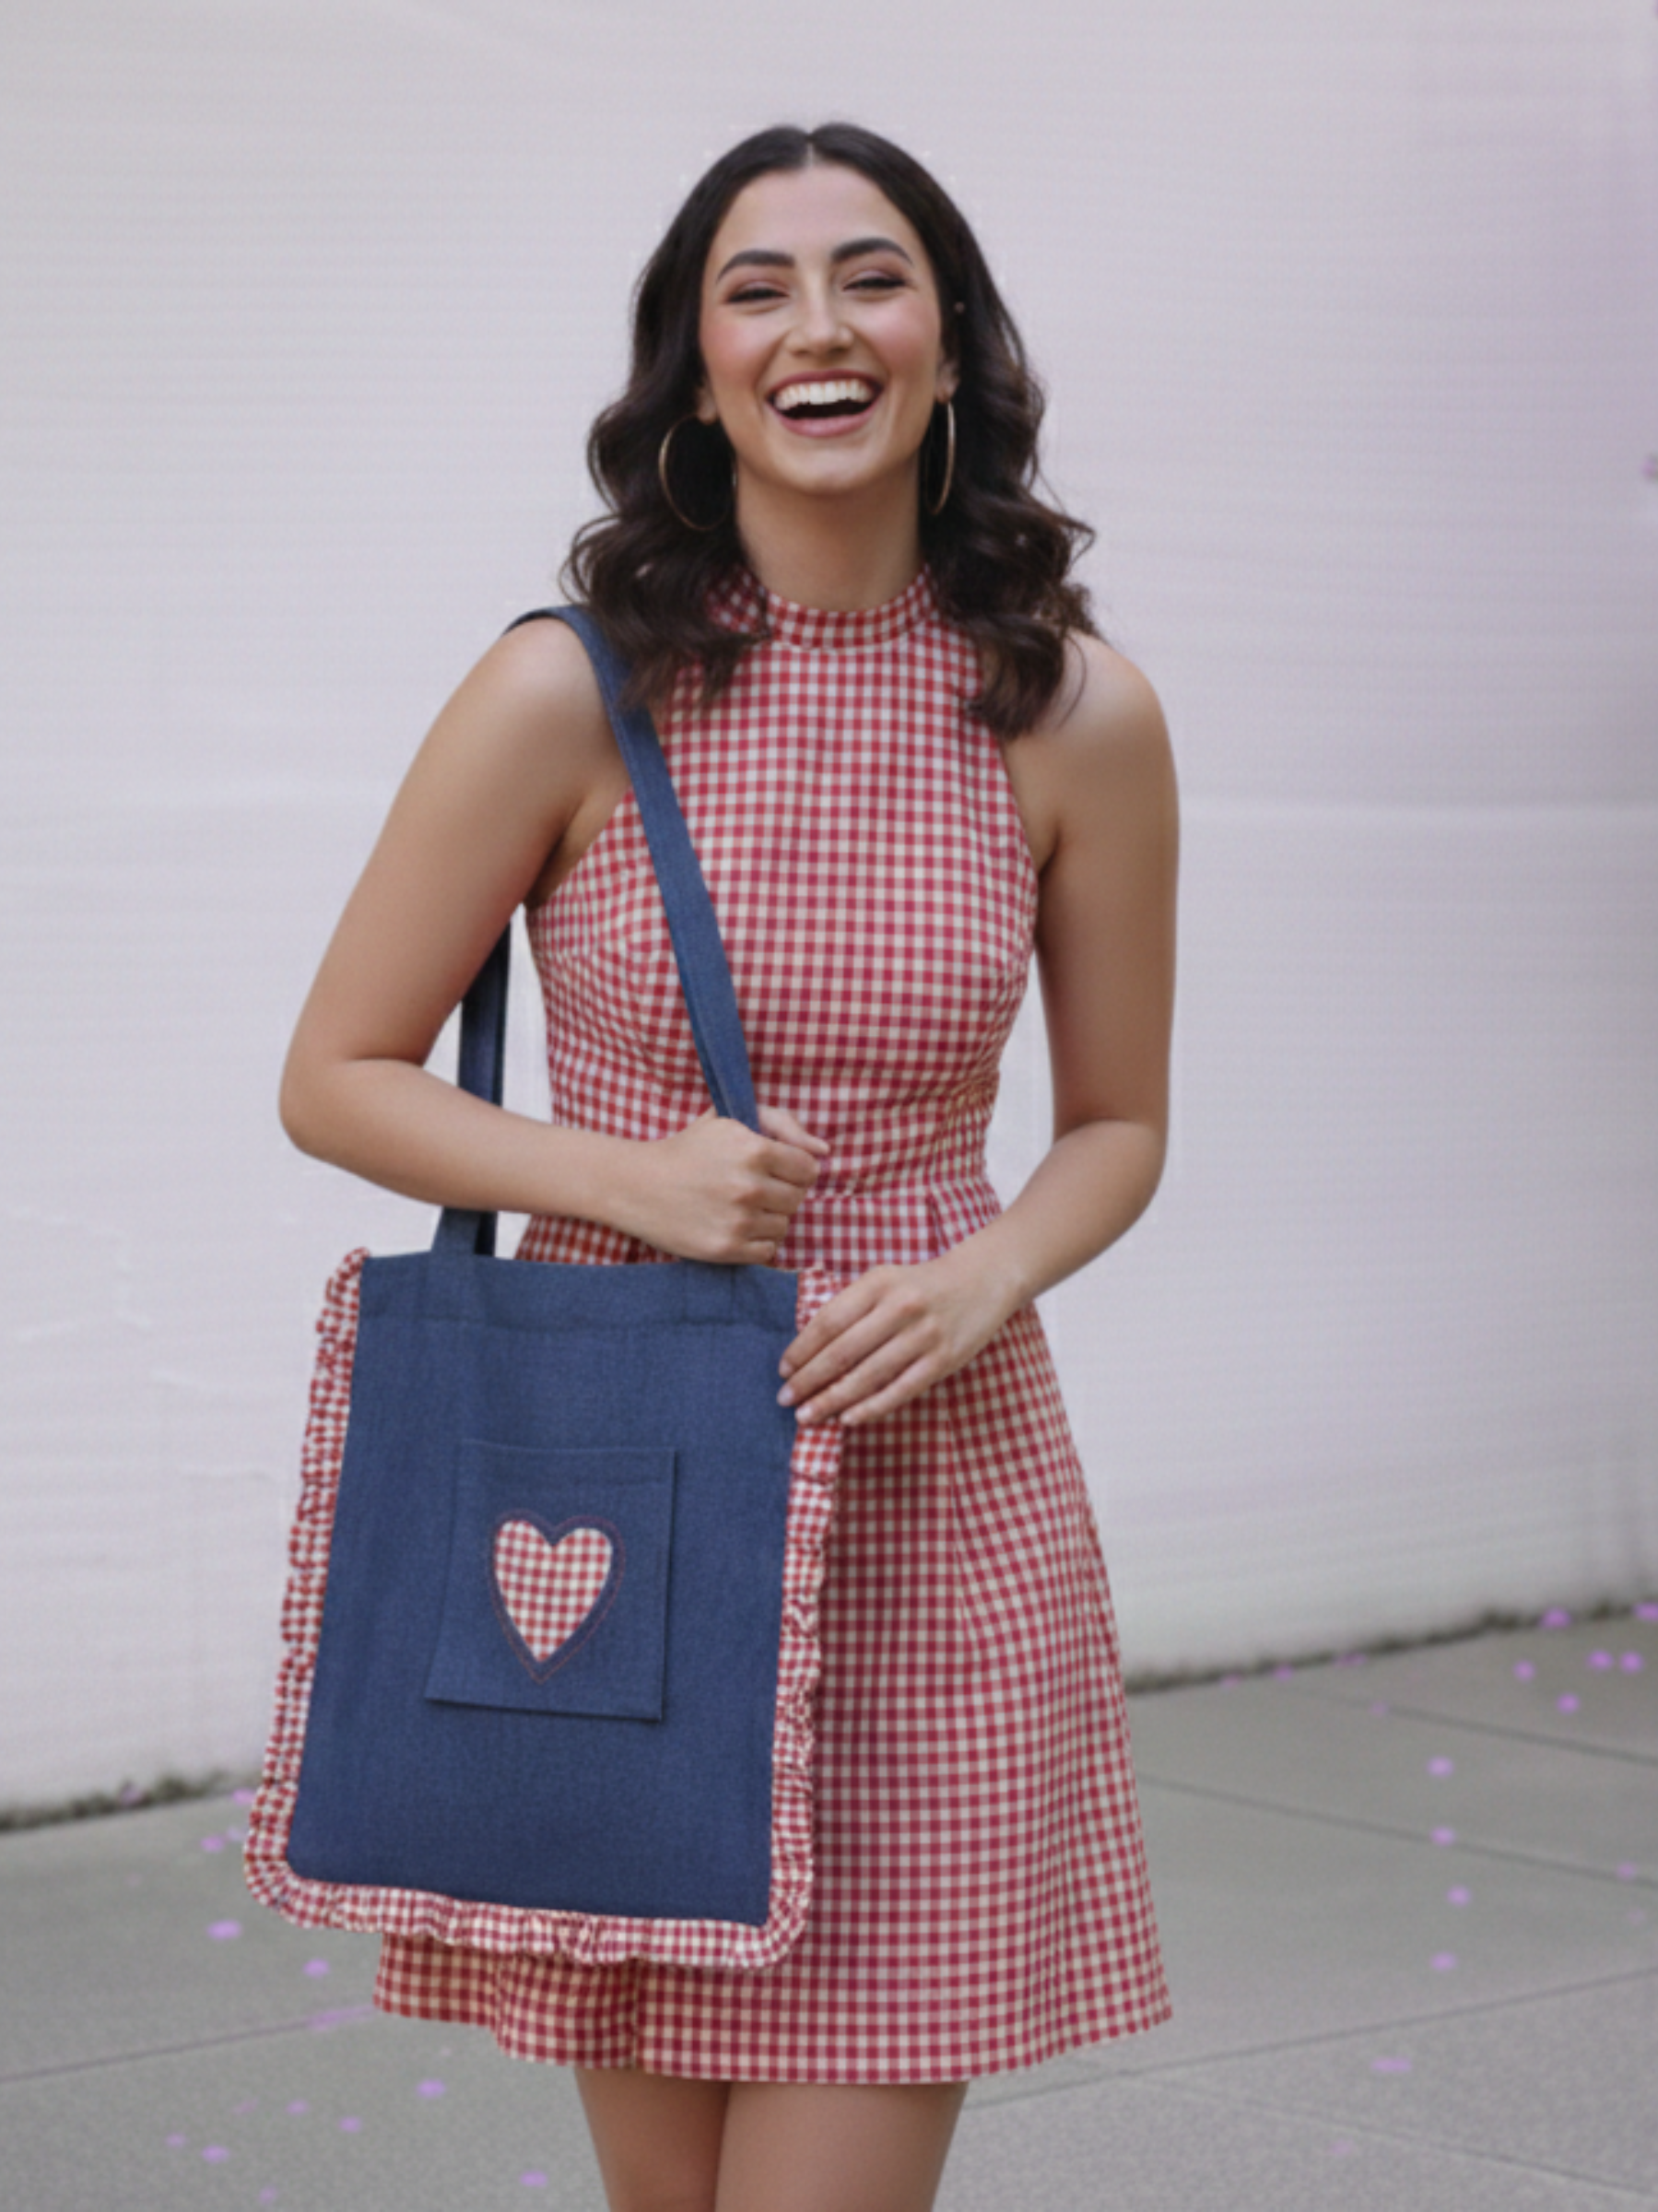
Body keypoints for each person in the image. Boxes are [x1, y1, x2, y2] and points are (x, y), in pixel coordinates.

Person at [279, 120, 1177, 2212]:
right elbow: (334, 1075)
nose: (817, 329)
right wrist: (637, 1181)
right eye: (754, 291)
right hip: (627, 1495)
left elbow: (1119, 1124)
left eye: (872, 278)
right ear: (696, 372)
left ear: (951, 345)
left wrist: (983, 1273)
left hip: (939, 1484)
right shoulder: (566, 692)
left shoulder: (1076, 717)